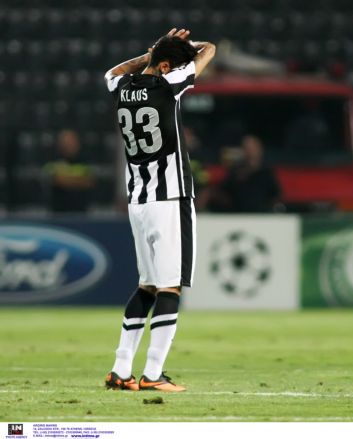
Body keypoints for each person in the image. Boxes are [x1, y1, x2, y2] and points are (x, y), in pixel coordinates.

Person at [103, 28, 215, 392]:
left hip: (138, 201)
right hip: (170, 199)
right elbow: (209, 50)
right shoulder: (167, 87)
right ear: (166, 67)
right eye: (173, 66)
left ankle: (121, 369)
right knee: (170, 287)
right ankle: (153, 374)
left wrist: (151, 54)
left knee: (147, 286)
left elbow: (112, 72)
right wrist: (186, 49)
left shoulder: (122, 87)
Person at [212, 134, 282, 212]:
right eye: (246, 148)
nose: (250, 152)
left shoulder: (267, 174)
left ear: (260, 149)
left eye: (252, 148)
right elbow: (223, 194)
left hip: (261, 215)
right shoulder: (235, 174)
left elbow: (275, 196)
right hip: (237, 215)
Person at [44, 129, 95, 213]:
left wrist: (67, 180)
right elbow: (57, 180)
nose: (69, 145)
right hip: (59, 213)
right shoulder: (53, 159)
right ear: (60, 144)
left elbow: (89, 182)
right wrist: (78, 181)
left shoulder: (85, 159)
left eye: (72, 142)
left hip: (81, 212)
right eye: (66, 143)